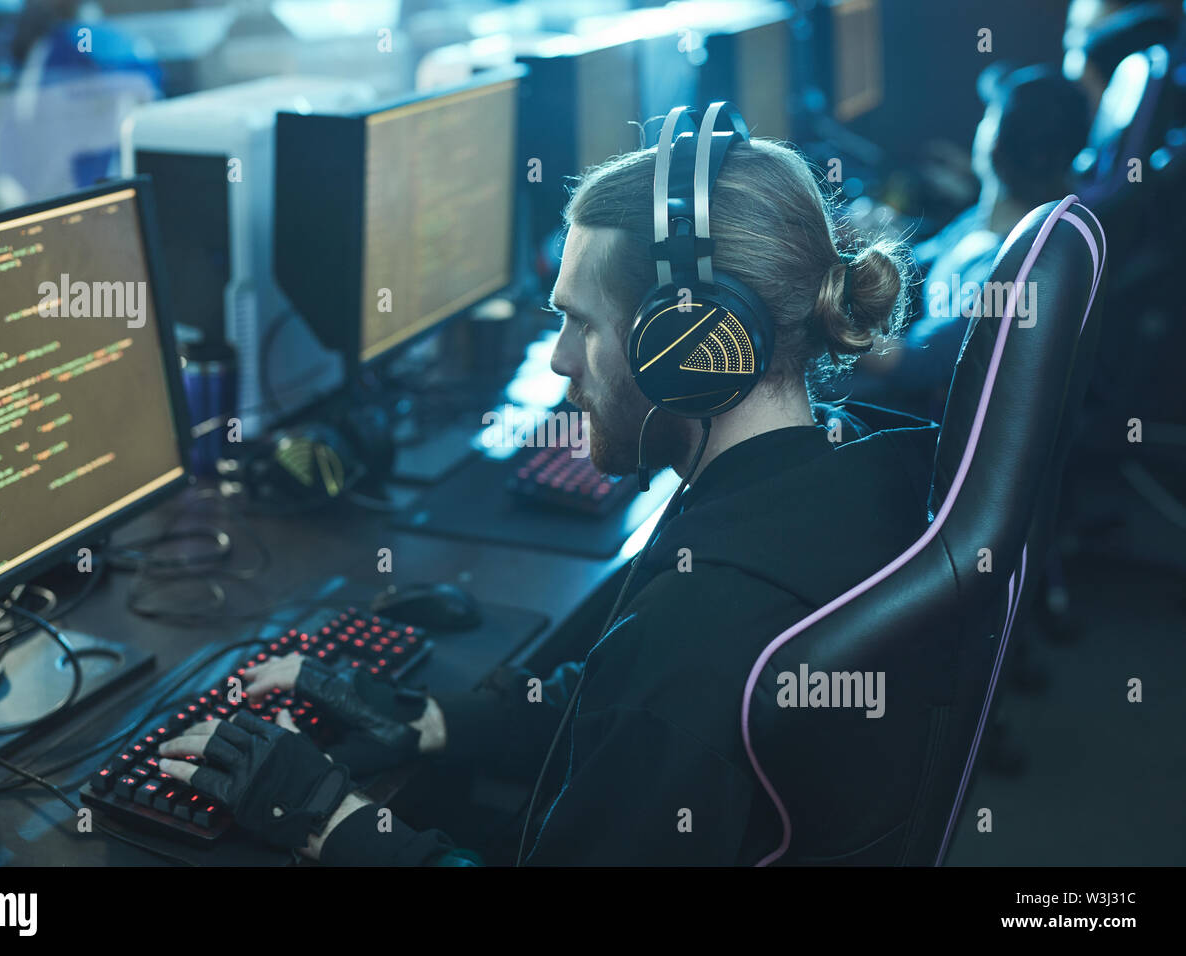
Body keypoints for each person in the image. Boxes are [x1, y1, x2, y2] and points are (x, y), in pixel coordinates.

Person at [155, 127, 944, 865]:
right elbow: (619, 709)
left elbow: (657, 705)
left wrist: (323, 815)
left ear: (687, 349)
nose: (561, 360)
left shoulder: (699, 635)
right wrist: (425, 721)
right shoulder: (855, 465)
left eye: (582, 325)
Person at [847, 65, 1089, 417]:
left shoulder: (1009, 268)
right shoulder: (989, 215)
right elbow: (920, 262)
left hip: (915, 417)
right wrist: (870, 239)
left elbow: (910, 365)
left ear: (994, 144)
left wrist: (829, 316)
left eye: (988, 116)